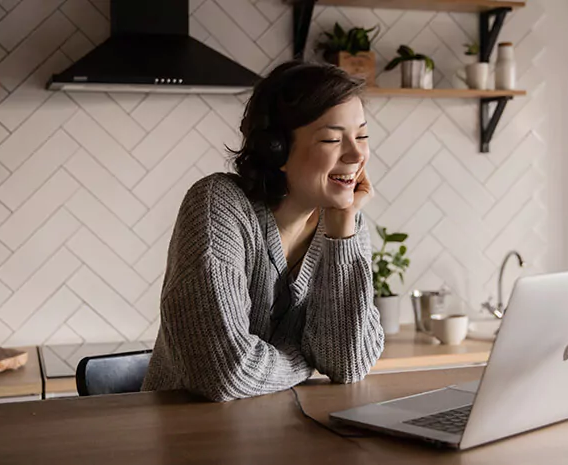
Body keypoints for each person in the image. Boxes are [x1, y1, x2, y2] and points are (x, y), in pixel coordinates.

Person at [141, 61, 385, 402]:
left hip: (282, 435)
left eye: (362, 135)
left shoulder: (346, 224)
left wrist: (342, 235)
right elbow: (225, 373)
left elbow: (348, 364)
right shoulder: (218, 205)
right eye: (332, 138)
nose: (357, 154)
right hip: (186, 438)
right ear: (278, 149)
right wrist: (304, 359)